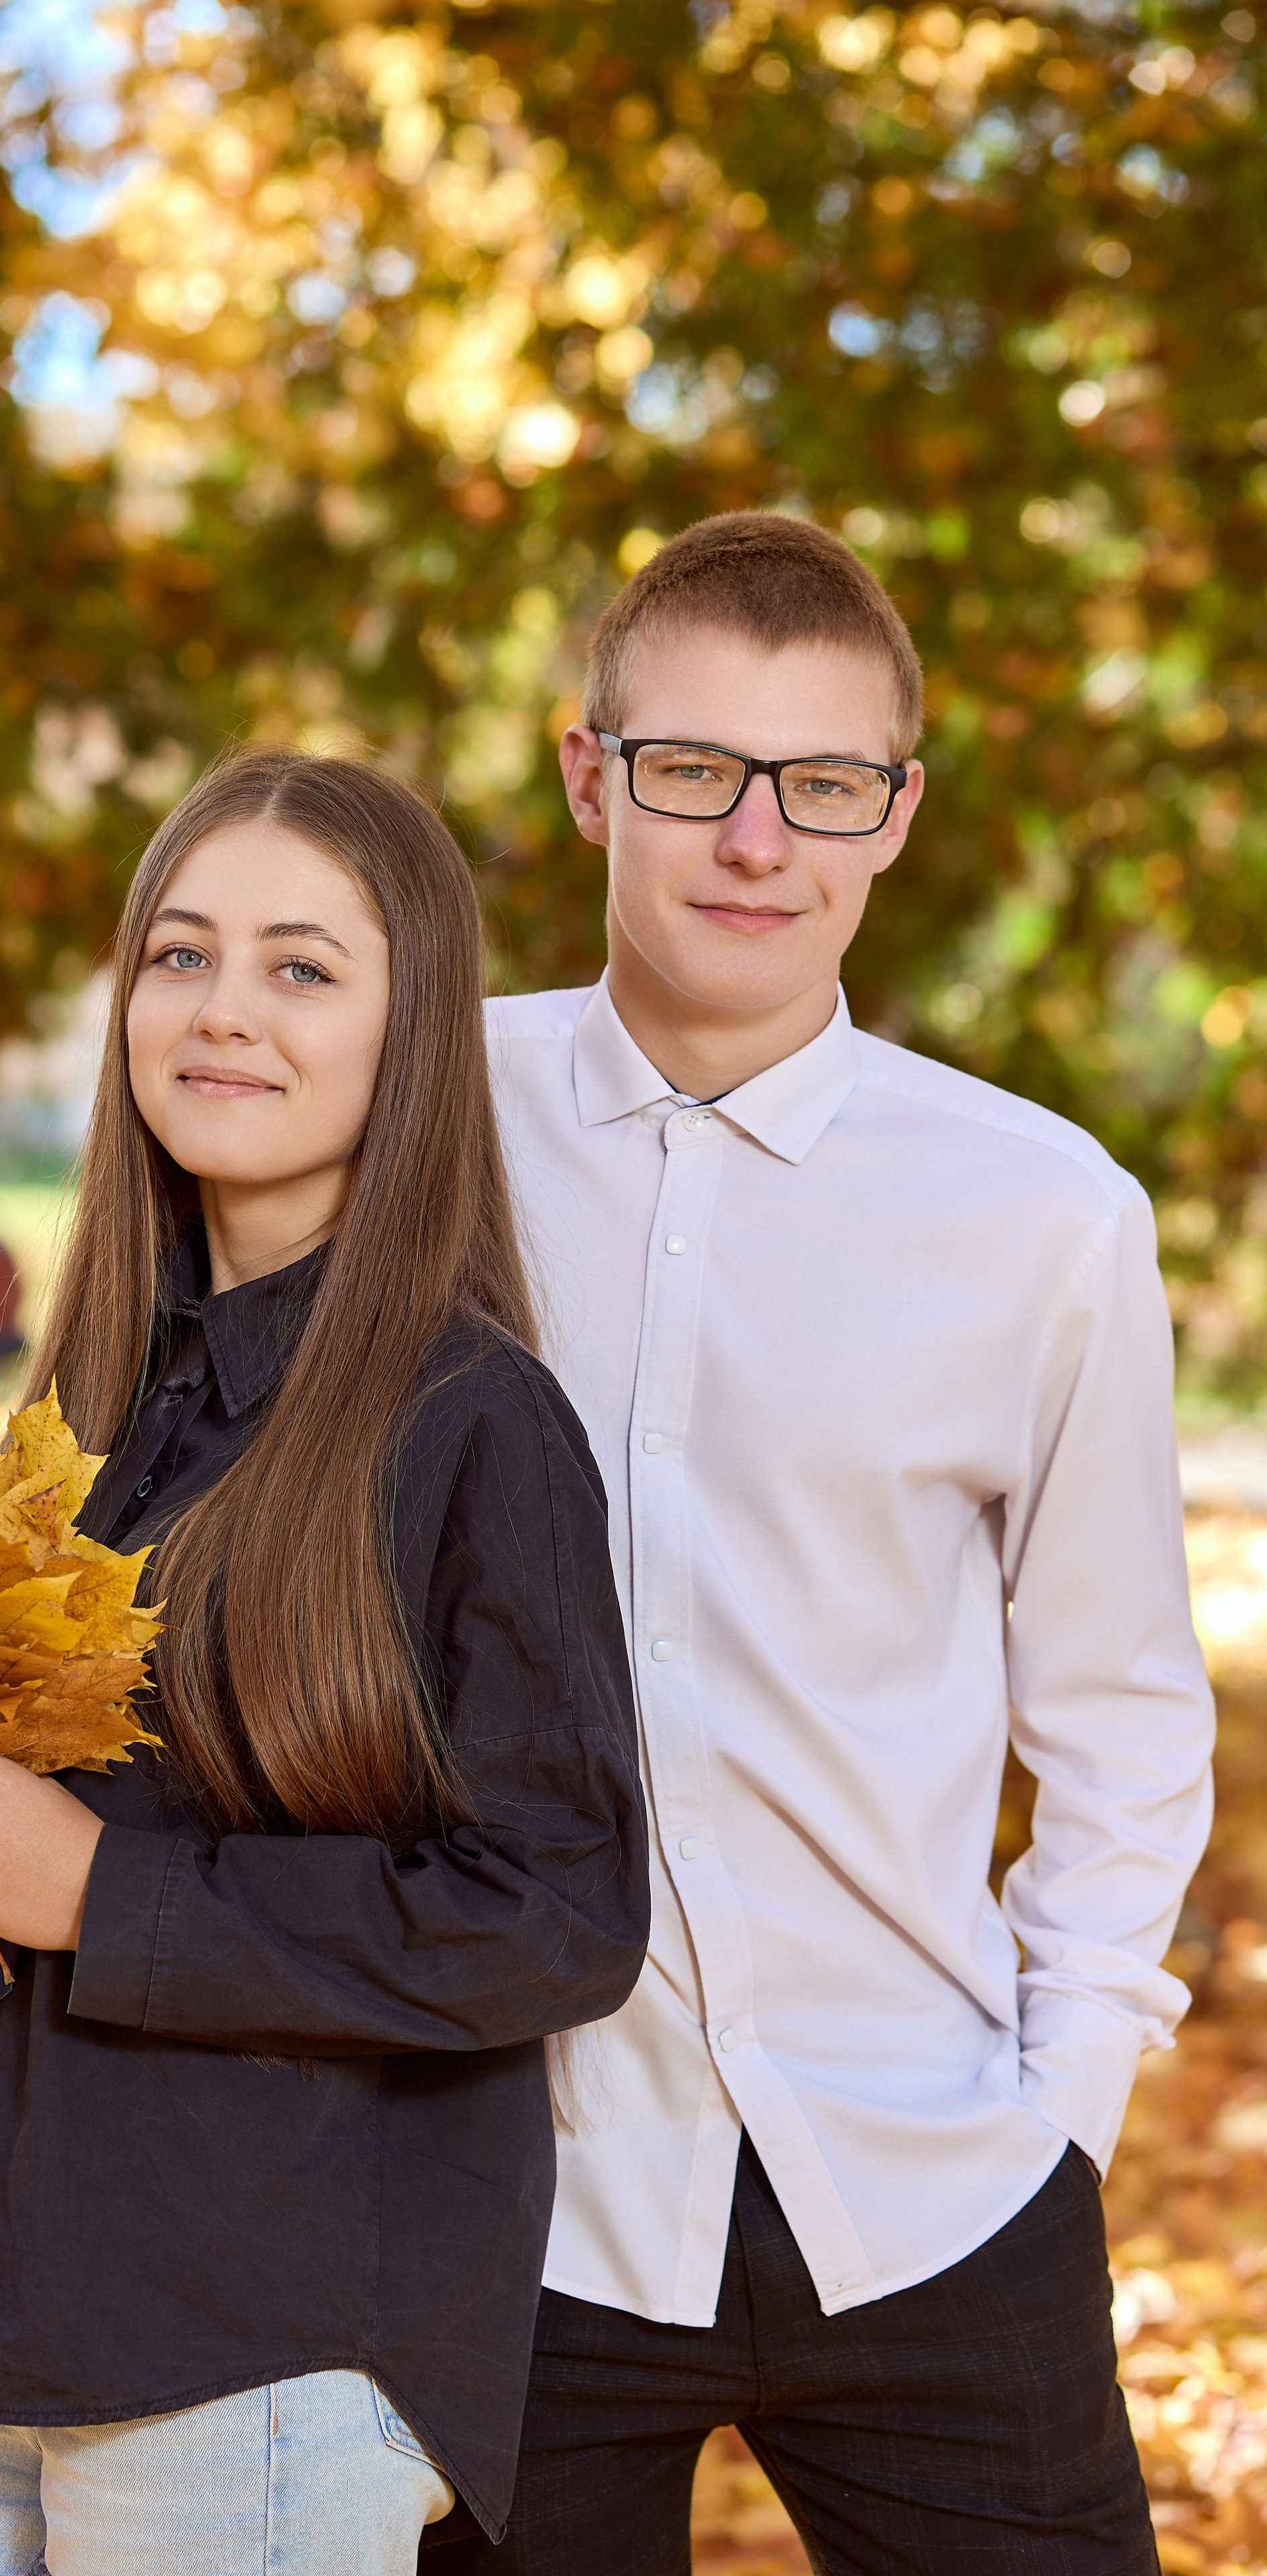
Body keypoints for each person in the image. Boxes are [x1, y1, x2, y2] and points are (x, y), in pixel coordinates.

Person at [428, 511, 1215, 2573]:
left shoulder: (1045, 1215)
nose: (754, 839)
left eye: (823, 784)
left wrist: (1066, 2114)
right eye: (695, 769)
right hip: (511, 2200)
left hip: (934, 2188)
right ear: (592, 775)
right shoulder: (419, 1127)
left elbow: (1126, 1708)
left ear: (895, 818)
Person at [0, 748, 650, 2576]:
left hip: (254, 2358)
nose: (221, 1013)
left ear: (412, 1034)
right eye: (179, 956)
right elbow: (25, 1801)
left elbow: (560, 1914)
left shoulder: (474, 1423)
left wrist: (107, 1895)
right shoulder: (80, 1407)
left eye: (302, 968)